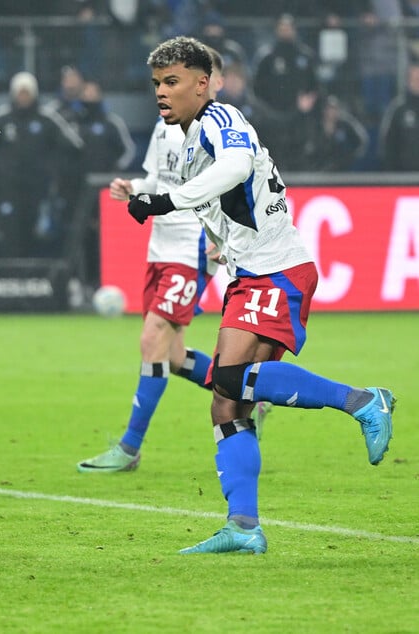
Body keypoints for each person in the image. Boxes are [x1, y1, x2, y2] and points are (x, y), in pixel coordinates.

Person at [126, 36, 395, 554]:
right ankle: (243, 526)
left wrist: (164, 201)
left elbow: (235, 168)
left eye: (174, 81)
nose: (163, 92)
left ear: (202, 84)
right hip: (251, 272)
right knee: (228, 406)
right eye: (158, 83)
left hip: (277, 271)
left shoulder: (219, 119)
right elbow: (221, 203)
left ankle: (363, 401)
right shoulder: (184, 142)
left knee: (228, 381)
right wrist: (216, 246)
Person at [77, 47, 268, 474]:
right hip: (160, 247)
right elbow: (158, 178)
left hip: (192, 248)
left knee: (152, 340)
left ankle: (129, 447)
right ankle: (246, 394)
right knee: (173, 354)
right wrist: (134, 187)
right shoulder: (166, 128)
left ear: (210, 83)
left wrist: (222, 237)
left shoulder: (217, 129)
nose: (165, 91)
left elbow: (233, 183)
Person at [0, 71, 83, 257]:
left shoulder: (47, 119)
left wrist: (56, 171)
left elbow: (74, 146)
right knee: (10, 234)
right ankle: (12, 278)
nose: (23, 97)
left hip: (37, 190)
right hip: (8, 190)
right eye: (20, 92)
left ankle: (33, 279)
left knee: (33, 235)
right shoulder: (1, 119)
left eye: (27, 92)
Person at [378, 58, 419, 171]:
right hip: (404, 179)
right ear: (408, 81)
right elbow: (387, 145)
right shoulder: (398, 109)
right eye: (414, 79)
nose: (417, 83)